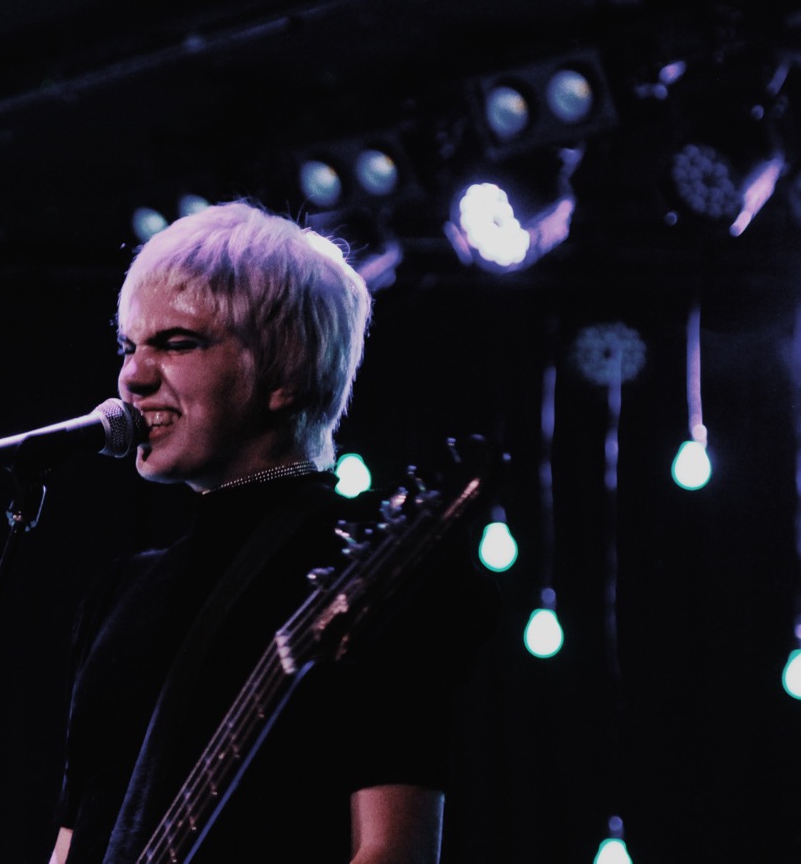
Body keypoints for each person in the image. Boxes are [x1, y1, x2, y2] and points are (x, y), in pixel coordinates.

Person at [48, 200, 494, 864]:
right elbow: (75, 838)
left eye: (176, 342)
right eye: (129, 346)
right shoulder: (118, 592)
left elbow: (393, 850)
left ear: (285, 374)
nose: (132, 377)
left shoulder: (368, 562)